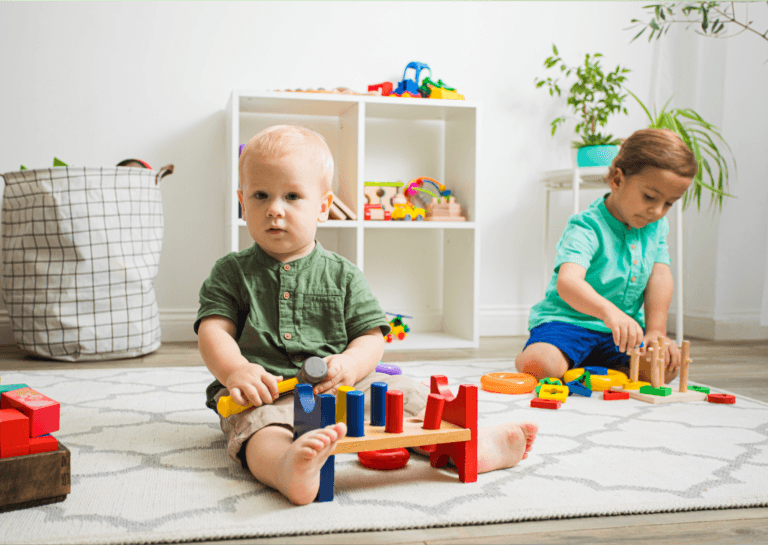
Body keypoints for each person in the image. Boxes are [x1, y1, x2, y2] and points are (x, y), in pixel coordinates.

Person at [196, 125, 538, 506]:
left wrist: (350, 364)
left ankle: (469, 444)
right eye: (261, 195)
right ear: (243, 203)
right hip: (267, 396)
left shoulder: (343, 273)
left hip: (344, 388)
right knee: (257, 431)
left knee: (404, 394)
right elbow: (213, 331)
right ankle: (286, 467)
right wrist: (235, 372)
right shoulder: (231, 271)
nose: (275, 208)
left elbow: (372, 337)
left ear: (323, 207)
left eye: (292, 196)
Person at [516, 128, 697, 384]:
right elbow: (569, 282)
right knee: (540, 365)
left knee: (664, 368)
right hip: (569, 324)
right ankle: (564, 360)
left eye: (669, 203)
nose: (657, 211)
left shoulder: (656, 227)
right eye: (649, 197)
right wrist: (609, 312)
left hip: (623, 333)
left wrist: (656, 331)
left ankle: (591, 369)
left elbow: (660, 274)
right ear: (617, 179)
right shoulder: (586, 226)